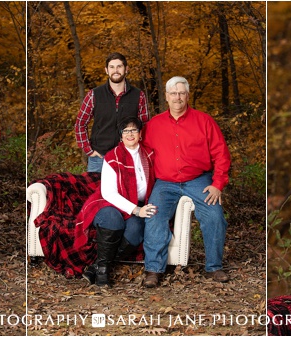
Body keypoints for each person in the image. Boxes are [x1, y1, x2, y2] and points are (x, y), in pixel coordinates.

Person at [142, 76, 231, 287]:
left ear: (188, 95)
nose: (178, 97)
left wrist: (218, 183)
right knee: (154, 215)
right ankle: (154, 270)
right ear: (166, 96)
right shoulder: (154, 125)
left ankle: (213, 267)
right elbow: (141, 154)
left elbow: (221, 153)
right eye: (173, 93)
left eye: (181, 93)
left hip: (198, 180)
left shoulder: (204, 121)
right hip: (165, 183)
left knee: (214, 215)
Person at [76, 117, 157, 287]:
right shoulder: (112, 157)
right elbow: (108, 193)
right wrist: (135, 210)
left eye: (133, 130)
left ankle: (96, 266)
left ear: (140, 134)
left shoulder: (149, 155)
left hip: (136, 205)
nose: (130, 134)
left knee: (136, 229)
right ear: (120, 135)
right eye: (125, 130)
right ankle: (103, 270)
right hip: (109, 203)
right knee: (114, 220)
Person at [74, 52, 151, 173]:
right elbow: (80, 124)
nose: (116, 70)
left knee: (127, 191)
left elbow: (145, 126)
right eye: (112, 67)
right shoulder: (94, 95)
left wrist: (139, 150)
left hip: (128, 156)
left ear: (126, 69)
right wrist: (88, 150)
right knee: (95, 190)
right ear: (106, 70)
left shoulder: (138, 95)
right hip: (99, 158)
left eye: (119, 66)